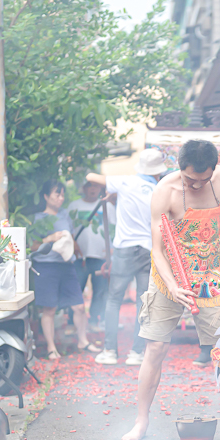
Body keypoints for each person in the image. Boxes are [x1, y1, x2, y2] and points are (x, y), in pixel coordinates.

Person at [123, 139, 220, 440]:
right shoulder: (164, 191)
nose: (197, 184)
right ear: (180, 168)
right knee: (155, 347)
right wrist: (175, 286)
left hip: (211, 274)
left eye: (203, 180)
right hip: (169, 277)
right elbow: (158, 249)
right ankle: (141, 421)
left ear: (214, 170)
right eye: (191, 179)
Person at [88, 149, 167, 366]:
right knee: (143, 301)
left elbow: (91, 177)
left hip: (125, 250)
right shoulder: (159, 190)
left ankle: (110, 351)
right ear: (158, 171)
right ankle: (137, 353)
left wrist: (113, 192)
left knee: (113, 300)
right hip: (149, 250)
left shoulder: (124, 182)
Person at [32, 180, 93, 359]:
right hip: (46, 266)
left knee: (80, 306)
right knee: (49, 309)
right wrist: (49, 238)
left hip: (67, 265)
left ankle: (83, 340)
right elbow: (32, 246)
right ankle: (51, 348)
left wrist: (79, 254)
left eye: (62, 194)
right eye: (57, 194)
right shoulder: (38, 219)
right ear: (45, 196)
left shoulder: (65, 214)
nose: (61, 198)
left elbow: (71, 239)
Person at [67, 179, 109, 328]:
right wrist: (73, 244)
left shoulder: (107, 206)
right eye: (89, 185)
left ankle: (93, 320)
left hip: (101, 256)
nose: (93, 189)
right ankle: (72, 322)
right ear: (83, 188)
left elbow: (113, 229)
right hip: (80, 257)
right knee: (77, 288)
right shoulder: (74, 206)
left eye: (96, 186)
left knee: (100, 290)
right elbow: (68, 230)